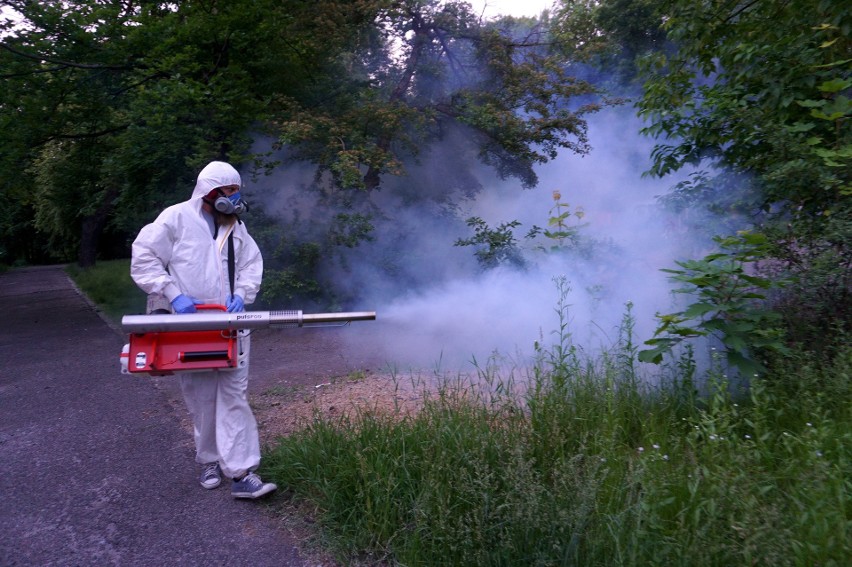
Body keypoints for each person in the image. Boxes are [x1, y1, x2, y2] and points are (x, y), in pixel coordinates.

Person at [130, 160, 276, 499]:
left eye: (236, 192)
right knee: (200, 398)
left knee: (233, 397)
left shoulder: (235, 227)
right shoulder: (176, 218)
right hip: (190, 326)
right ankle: (209, 460)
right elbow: (144, 256)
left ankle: (242, 473)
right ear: (209, 193)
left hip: (230, 327)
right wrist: (172, 293)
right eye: (228, 192)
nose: (234, 198)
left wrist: (241, 295)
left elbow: (252, 266)